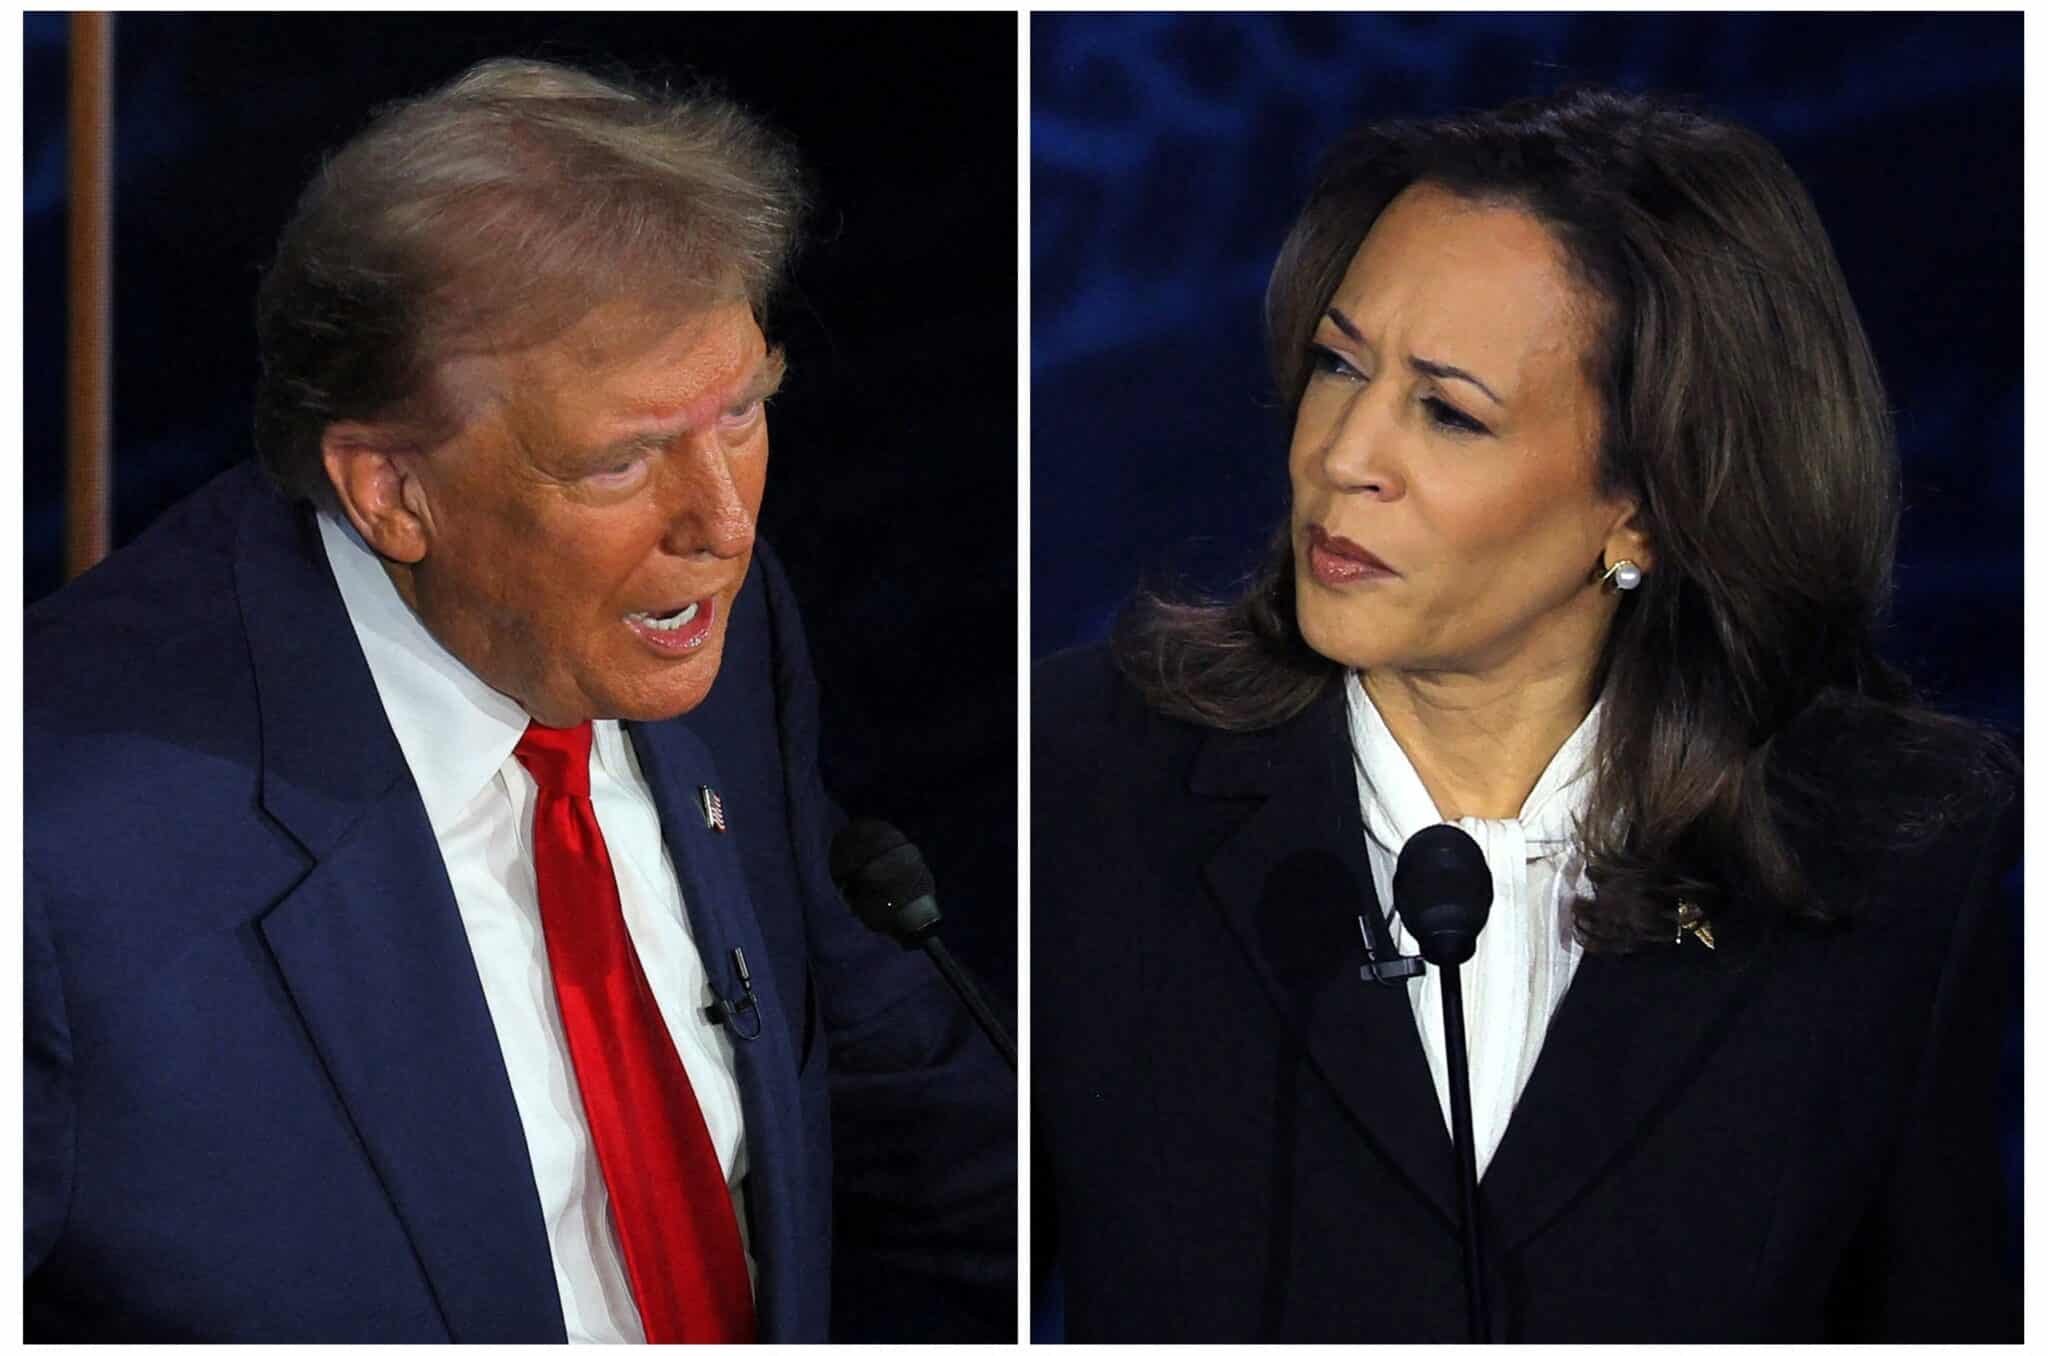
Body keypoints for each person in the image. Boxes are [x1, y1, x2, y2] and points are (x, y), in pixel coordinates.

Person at [26, 58, 1015, 1342]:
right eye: (621, 459)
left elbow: (910, 1133)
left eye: (743, 413)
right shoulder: (59, 851)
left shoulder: (703, 624)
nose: (719, 524)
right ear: (391, 492)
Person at [1033, 86, 2017, 1342]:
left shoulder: (1885, 856)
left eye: (1447, 409)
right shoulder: (1080, 775)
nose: (1343, 454)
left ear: (1647, 505)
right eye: (1339, 364)